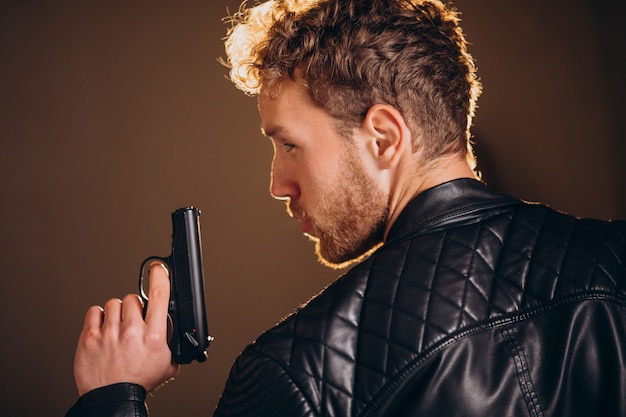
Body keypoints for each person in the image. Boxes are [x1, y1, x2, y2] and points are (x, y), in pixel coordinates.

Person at [66, 0, 626, 416]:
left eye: (287, 144)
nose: (277, 184)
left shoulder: (293, 373)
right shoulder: (615, 261)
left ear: (382, 137)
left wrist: (111, 397)